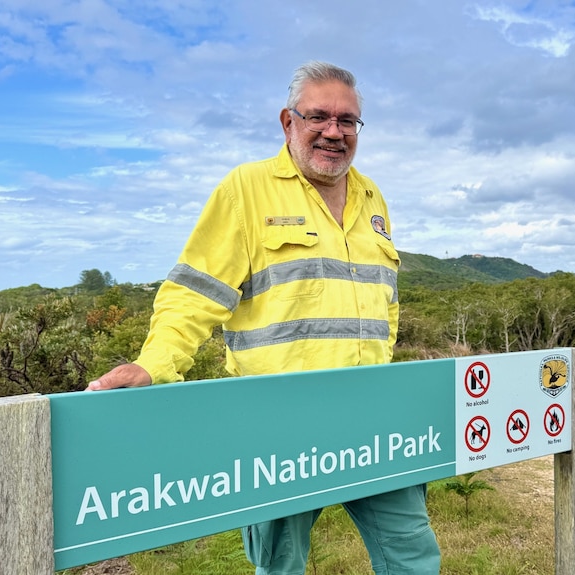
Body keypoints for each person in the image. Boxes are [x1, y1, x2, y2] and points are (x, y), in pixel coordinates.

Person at [86, 61, 442, 575]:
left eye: (348, 121)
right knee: (280, 566)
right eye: (319, 116)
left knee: (412, 555)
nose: (334, 132)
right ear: (288, 121)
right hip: (280, 426)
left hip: (374, 420)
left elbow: (385, 301)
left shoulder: (372, 197)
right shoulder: (246, 190)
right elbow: (194, 293)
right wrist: (153, 365)